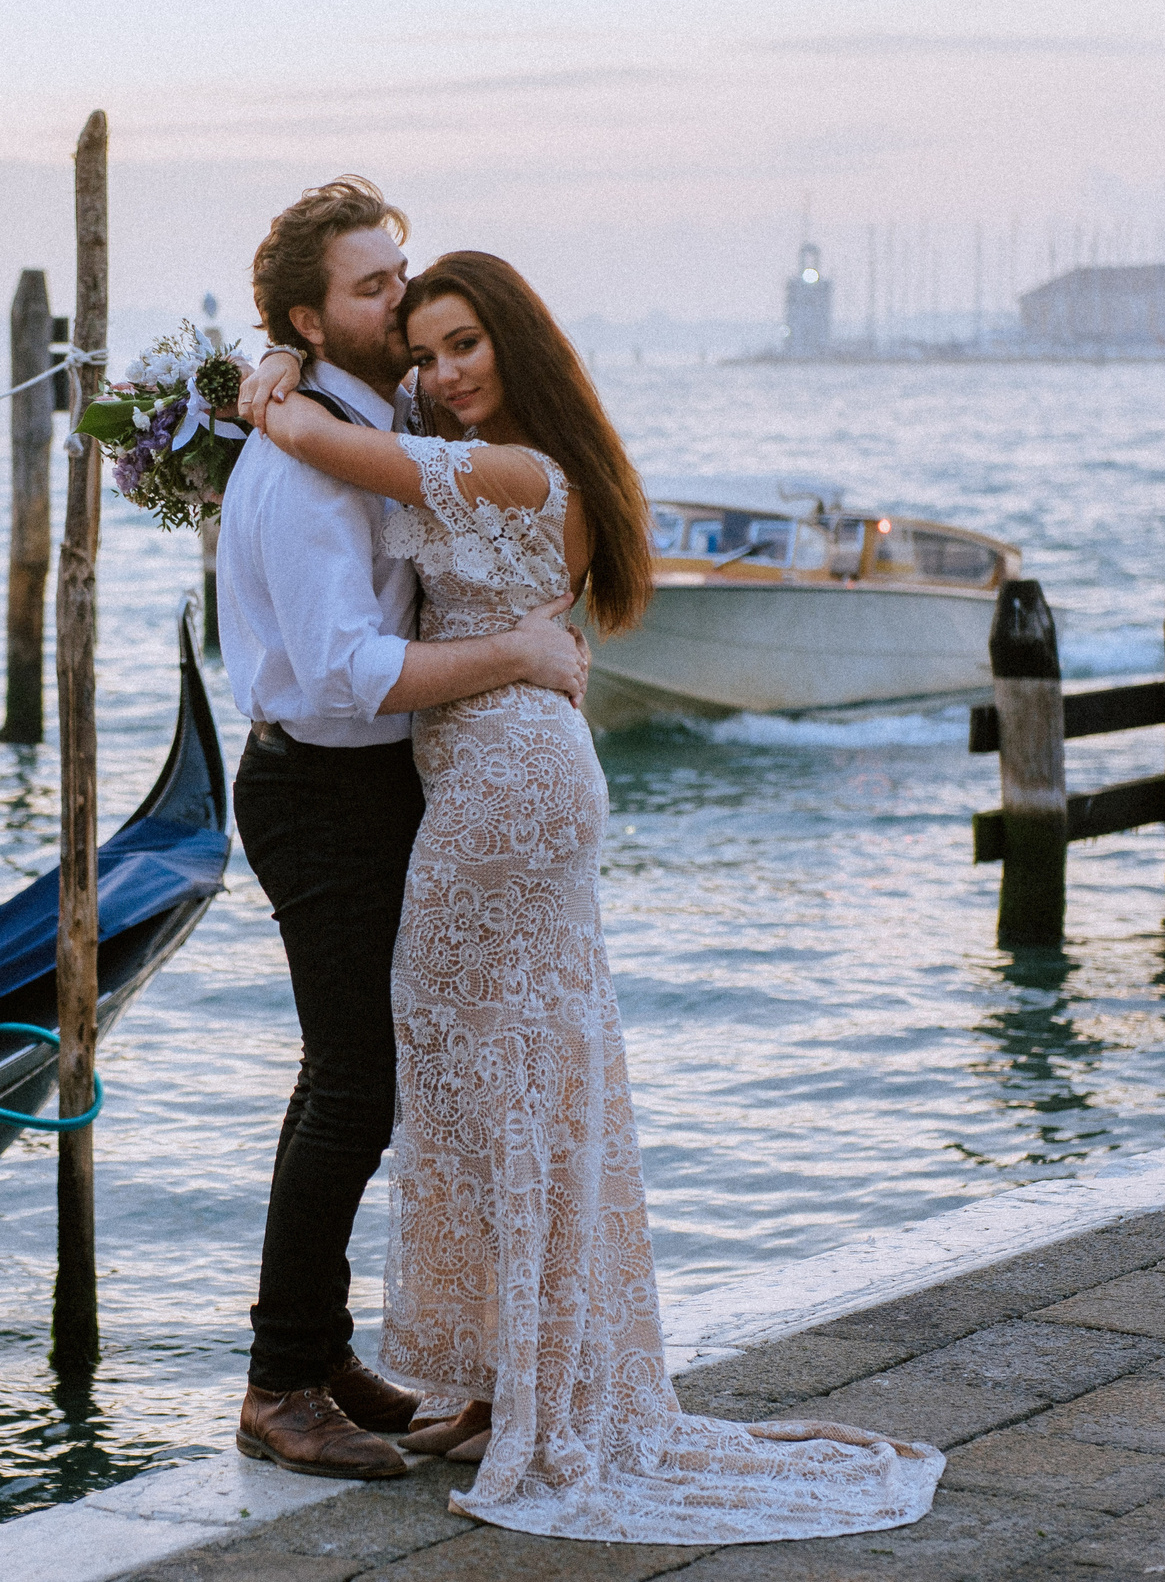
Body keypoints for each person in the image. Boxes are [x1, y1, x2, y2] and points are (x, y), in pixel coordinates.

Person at [248, 249, 946, 1542]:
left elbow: (333, 451)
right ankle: (514, 1375)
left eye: (466, 345)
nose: (443, 370)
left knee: (487, 1071)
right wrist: (296, 357)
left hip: (506, 779)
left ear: (516, 343)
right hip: (500, 769)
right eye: (428, 351)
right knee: (502, 1071)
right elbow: (371, 447)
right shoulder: (488, 451)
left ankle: (527, 1382)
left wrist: (271, 386)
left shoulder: (520, 471)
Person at [219, 180, 589, 1482]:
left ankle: (317, 1353)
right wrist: (516, 656)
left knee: (354, 1080)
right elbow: (347, 670)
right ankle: (278, 1383)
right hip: (317, 790)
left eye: (400, 274)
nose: (401, 302)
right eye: (372, 288)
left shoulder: (376, 421)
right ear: (310, 322)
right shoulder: (308, 463)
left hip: (375, 788)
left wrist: (275, 380)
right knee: (353, 1085)